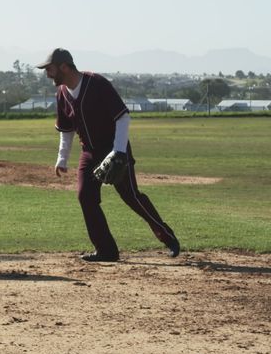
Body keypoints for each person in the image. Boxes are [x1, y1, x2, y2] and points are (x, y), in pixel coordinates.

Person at [37, 48, 180, 262]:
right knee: (85, 196)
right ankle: (106, 251)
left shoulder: (96, 83)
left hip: (114, 148)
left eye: (50, 69)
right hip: (89, 152)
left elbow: (122, 118)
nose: (47, 74)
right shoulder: (62, 94)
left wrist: (119, 151)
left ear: (64, 67)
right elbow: (66, 130)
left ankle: (168, 237)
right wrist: (62, 159)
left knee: (131, 197)